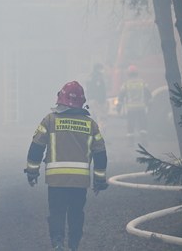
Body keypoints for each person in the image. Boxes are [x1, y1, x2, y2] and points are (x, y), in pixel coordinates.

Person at [24, 81, 108, 251]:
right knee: (76, 213)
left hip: (56, 181)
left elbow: (36, 147)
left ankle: (57, 243)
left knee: (57, 212)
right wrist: (99, 180)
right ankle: (74, 245)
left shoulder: (50, 120)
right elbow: (100, 154)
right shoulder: (90, 124)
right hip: (80, 181)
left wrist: (32, 172)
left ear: (60, 98)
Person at [117, 65, 151, 146]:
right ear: (137, 73)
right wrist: (150, 103)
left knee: (130, 125)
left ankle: (130, 142)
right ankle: (144, 141)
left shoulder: (126, 84)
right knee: (142, 124)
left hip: (131, 108)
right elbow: (148, 94)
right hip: (141, 107)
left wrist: (119, 106)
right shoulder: (142, 82)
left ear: (128, 74)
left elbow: (121, 96)